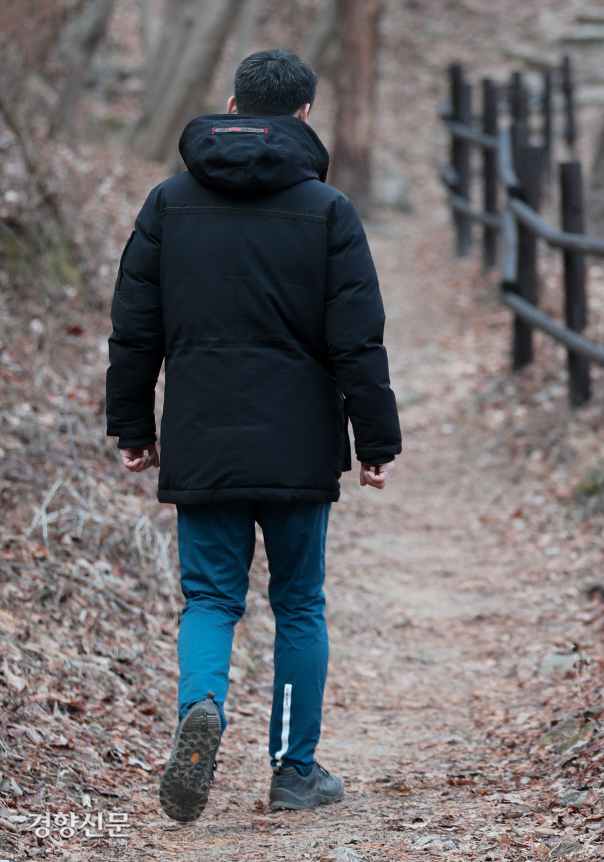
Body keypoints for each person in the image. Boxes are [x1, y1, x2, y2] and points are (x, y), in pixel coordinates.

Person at [105, 49, 401, 822]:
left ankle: (201, 705)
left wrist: (132, 424)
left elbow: (134, 330)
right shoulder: (328, 211)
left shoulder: (168, 204)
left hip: (201, 438)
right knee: (298, 603)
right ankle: (293, 769)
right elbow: (358, 341)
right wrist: (376, 440)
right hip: (299, 444)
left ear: (233, 105)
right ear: (304, 114)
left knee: (209, 597)